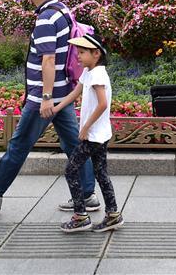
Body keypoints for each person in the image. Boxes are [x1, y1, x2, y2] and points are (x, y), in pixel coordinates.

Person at [0, 0, 97, 213]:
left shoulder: (46, 18)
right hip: (61, 92)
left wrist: (44, 97)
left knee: (19, 145)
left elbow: (48, 60)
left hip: (45, 98)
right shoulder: (63, 10)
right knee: (74, 145)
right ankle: (87, 195)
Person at [54, 32, 123, 233]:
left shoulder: (98, 74)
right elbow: (75, 93)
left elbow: (102, 104)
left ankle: (81, 216)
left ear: (96, 54)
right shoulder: (89, 72)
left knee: (71, 170)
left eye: (82, 52)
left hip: (93, 136)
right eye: (78, 51)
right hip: (99, 134)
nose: (78, 56)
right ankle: (113, 215)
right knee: (101, 173)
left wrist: (84, 127)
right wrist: (57, 109)